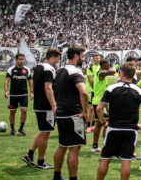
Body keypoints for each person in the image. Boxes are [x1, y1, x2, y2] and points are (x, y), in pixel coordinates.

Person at [95, 64, 141, 180]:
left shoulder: (111, 88)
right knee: (126, 161)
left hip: (113, 128)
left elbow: (99, 108)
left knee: (105, 159)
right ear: (133, 75)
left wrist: (103, 123)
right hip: (130, 130)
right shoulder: (139, 91)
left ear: (121, 73)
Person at [22, 48, 62, 169]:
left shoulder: (38, 67)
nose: (57, 62)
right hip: (46, 106)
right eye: (57, 60)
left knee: (42, 130)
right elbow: (48, 88)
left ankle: (30, 154)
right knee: (45, 133)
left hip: (39, 104)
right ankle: (41, 162)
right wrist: (54, 106)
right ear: (51, 57)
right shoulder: (49, 69)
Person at [53, 46, 89, 180]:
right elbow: (84, 92)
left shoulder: (59, 71)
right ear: (76, 56)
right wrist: (85, 112)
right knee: (74, 149)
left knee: (62, 146)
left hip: (61, 113)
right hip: (74, 114)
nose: (83, 59)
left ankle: (57, 176)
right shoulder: (76, 72)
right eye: (82, 56)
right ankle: (73, 178)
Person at [91, 59, 118, 153]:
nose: (109, 66)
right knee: (106, 124)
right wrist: (113, 66)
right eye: (108, 64)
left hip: (97, 102)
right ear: (105, 65)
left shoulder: (101, 73)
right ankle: (105, 145)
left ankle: (95, 146)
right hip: (102, 103)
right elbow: (113, 71)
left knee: (98, 125)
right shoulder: (101, 72)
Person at [4, 53, 33, 136]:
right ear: (16, 60)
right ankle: (12, 129)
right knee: (13, 112)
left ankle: (21, 129)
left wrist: (31, 92)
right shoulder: (11, 69)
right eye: (20, 59)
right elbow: (7, 80)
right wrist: (6, 91)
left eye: (23, 59)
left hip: (24, 94)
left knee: (24, 111)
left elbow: (30, 81)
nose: (22, 61)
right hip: (13, 95)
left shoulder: (27, 70)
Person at [84, 53, 101, 133]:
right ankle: (88, 125)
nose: (98, 59)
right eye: (96, 58)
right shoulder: (90, 67)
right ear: (93, 59)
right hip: (91, 90)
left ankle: (92, 125)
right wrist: (95, 88)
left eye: (99, 58)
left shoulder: (100, 67)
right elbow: (90, 80)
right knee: (90, 108)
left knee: (95, 109)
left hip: (97, 91)